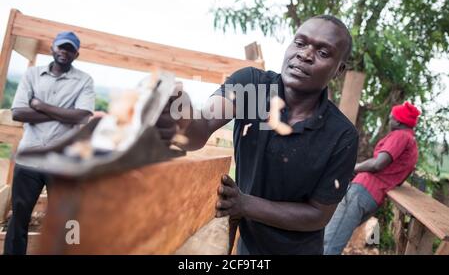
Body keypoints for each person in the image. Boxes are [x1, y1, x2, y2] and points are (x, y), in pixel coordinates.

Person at [157, 15, 358, 254]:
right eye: (300, 43)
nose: (304, 55)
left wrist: (244, 203)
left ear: (339, 70)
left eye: (323, 53)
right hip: (248, 248)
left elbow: (317, 215)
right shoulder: (251, 87)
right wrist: (180, 118)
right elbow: (203, 126)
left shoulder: (341, 136)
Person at [4, 31, 95, 255]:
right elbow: (18, 113)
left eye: (70, 49)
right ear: (53, 48)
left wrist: (40, 106)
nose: (65, 52)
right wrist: (64, 113)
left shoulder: (84, 80)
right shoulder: (32, 75)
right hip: (30, 158)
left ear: (76, 54)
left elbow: (82, 116)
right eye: (61, 47)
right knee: (19, 217)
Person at [323, 101, 421, 255]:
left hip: (360, 193)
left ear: (399, 121)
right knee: (334, 236)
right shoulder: (413, 144)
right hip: (371, 197)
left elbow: (378, 164)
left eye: (391, 118)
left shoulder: (399, 136)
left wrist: (353, 168)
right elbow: (399, 178)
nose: (390, 121)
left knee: (330, 242)